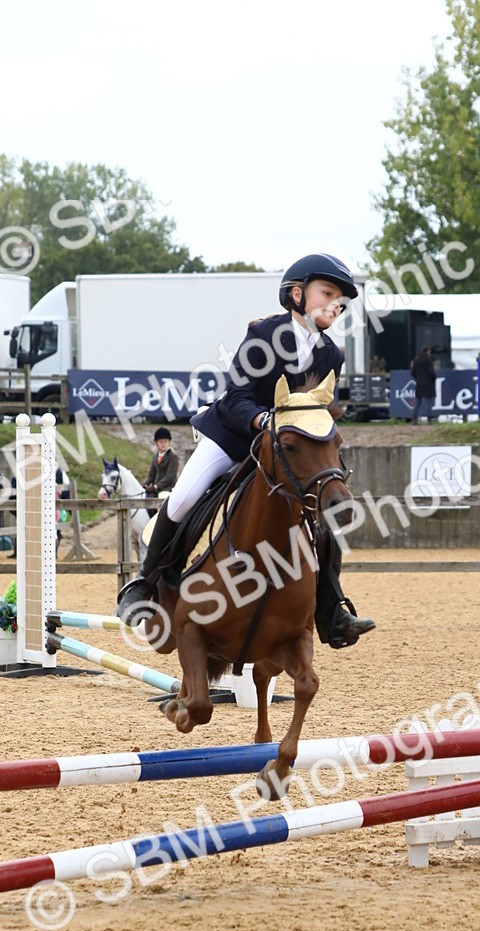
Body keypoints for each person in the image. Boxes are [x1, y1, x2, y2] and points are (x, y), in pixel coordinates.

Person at [116, 252, 376, 648]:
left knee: (325, 510)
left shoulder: (331, 356)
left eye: (340, 300)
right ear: (297, 294)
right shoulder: (264, 336)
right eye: (327, 294)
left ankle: (331, 610)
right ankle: (144, 583)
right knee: (184, 497)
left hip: (287, 451)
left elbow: (317, 409)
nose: (335, 305)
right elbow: (237, 398)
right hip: (234, 436)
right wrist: (264, 422)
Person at [143, 426, 180, 517]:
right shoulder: (155, 457)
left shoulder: (173, 457)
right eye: (161, 442)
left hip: (167, 488)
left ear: (169, 442)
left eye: (165, 441)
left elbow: (170, 476)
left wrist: (156, 486)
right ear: (156, 443)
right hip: (155, 489)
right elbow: (151, 475)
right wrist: (144, 485)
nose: (163, 444)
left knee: (162, 501)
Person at [410, 347, 437, 423]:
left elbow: (412, 372)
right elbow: (431, 372)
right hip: (429, 383)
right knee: (429, 402)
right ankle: (429, 419)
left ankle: (414, 417)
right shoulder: (429, 360)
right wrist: (434, 377)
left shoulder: (416, 360)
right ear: (428, 351)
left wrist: (418, 378)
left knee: (418, 402)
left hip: (419, 383)